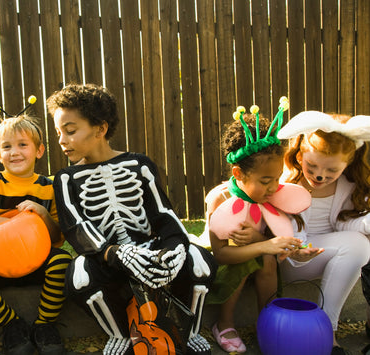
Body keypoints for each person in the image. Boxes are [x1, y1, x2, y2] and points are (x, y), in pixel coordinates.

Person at [47, 83, 217, 355]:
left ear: (100, 129)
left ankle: (189, 330)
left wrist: (175, 247)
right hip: (107, 257)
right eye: (58, 133)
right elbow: (75, 226)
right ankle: (120, 334)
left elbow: (163, 211)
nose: (62, 140)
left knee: (200, 263)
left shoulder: (139, 164)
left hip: (149, 249)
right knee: (79, 277)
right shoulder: (66, 178)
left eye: (70, 131)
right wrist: (114, 253)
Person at [204, 100, 323, 353]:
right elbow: (221, 254)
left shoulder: (273, 197)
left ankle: (267, 321)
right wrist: (265, 244)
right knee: (257, 257)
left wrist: (293, 250)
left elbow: (274, 240)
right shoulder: (221, 199)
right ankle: (223, 323)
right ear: (238, 173)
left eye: (277, 178)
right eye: (266, 180)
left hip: (263, 264)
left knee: (268, 259)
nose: (273, 187)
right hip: (226, 266)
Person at [0, 107, 72, 355]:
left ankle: (45, 325)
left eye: (22, 145)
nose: (14, 152)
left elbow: (57, 237)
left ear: (39, 151)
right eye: (7, 147)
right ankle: (11, 325)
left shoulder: (48, 188)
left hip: (36, 260)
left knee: (62, 261)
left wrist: (42, 214)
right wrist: (12, 227)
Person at [277, 111, 370, 354]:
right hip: (291, 258)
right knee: (358, 244)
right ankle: (325, 331)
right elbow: (282, 230)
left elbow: (344, 225)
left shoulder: (348, 186)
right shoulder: (288, 184)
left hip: (328, 251)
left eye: (331, 171)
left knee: (360, 241)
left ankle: (326, 331)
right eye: (312, 165)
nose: (320, 175)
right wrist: (296, 250)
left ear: (346, 165)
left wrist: (367, 223)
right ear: (299, 155)